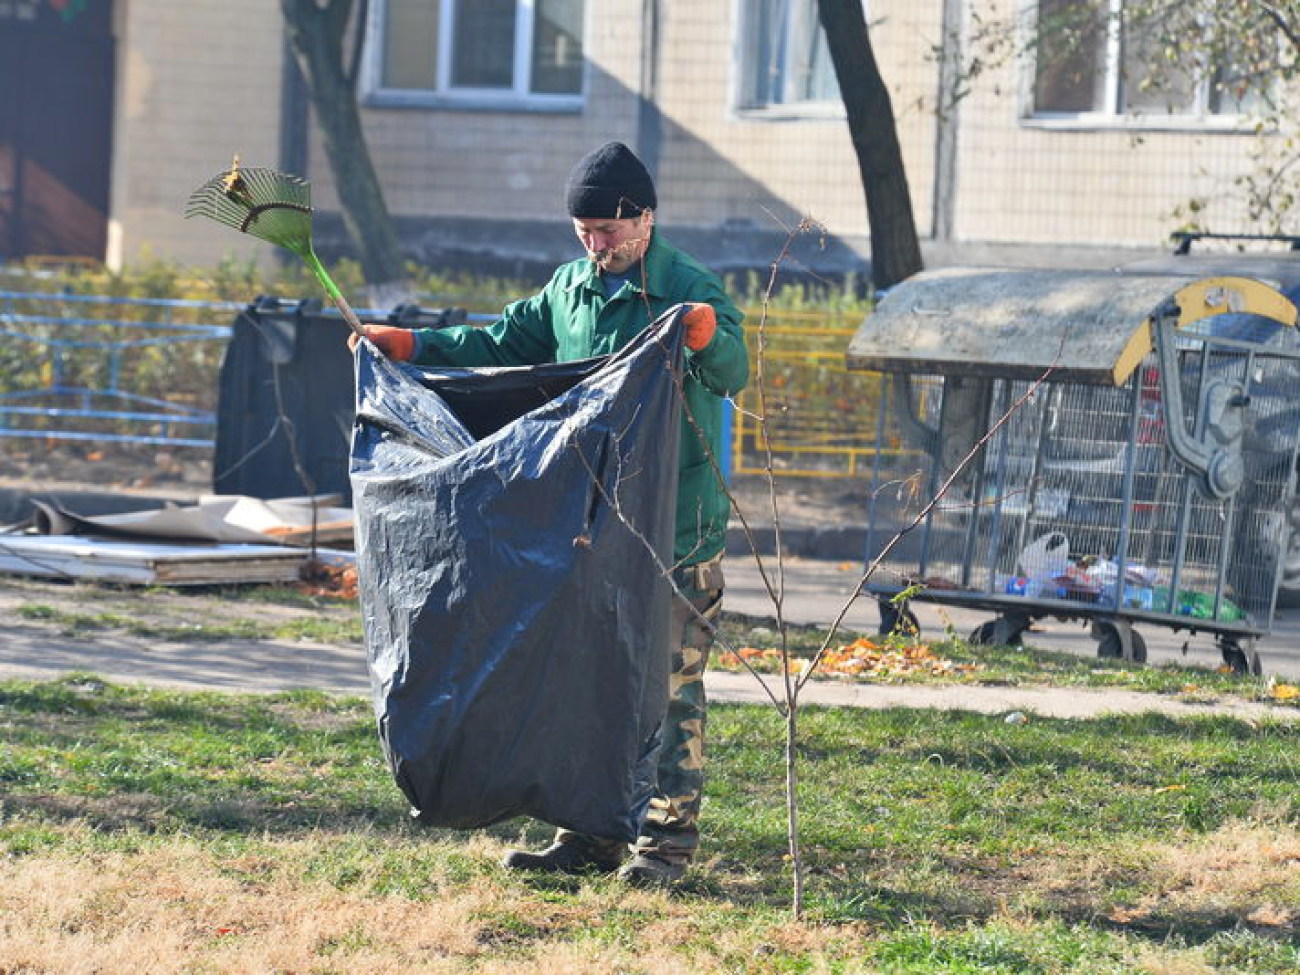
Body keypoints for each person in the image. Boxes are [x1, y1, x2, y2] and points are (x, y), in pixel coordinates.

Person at [352, 141, 748, 887]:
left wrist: (702, 335)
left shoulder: (688, 288)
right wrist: (409, 345)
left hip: (672, 530)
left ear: (646, 217)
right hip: (588, 528)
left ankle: (664, 844)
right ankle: (590, 833)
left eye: (609, 230)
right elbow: (502, 341)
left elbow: (733, 369)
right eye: (584, 232)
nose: (597, 246)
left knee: (667, 688)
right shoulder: (570, 287)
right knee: (586, 679)